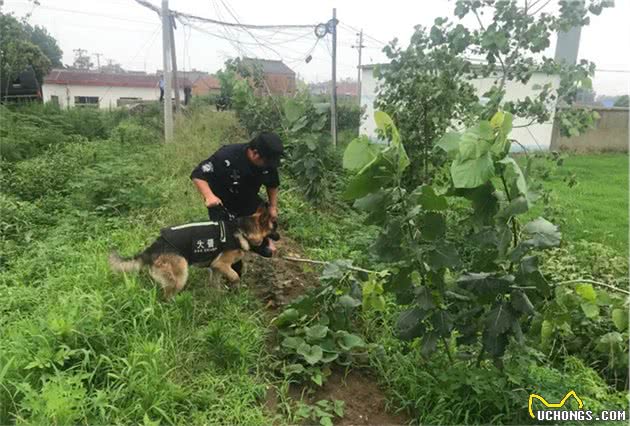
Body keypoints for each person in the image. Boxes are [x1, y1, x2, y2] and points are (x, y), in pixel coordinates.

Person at [190, 132, 283, 276]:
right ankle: (228, 270)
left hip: (247, 199)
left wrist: (272, 206)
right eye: (266, 161)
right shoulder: (227, 156)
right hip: (222, 204)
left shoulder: (266, 163)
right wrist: (209, 197)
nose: (269, 165)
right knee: (231, 243)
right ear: (255, 154)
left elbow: (272, 184)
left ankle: (260, 243)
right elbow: (198, 174)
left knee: (263, 222)